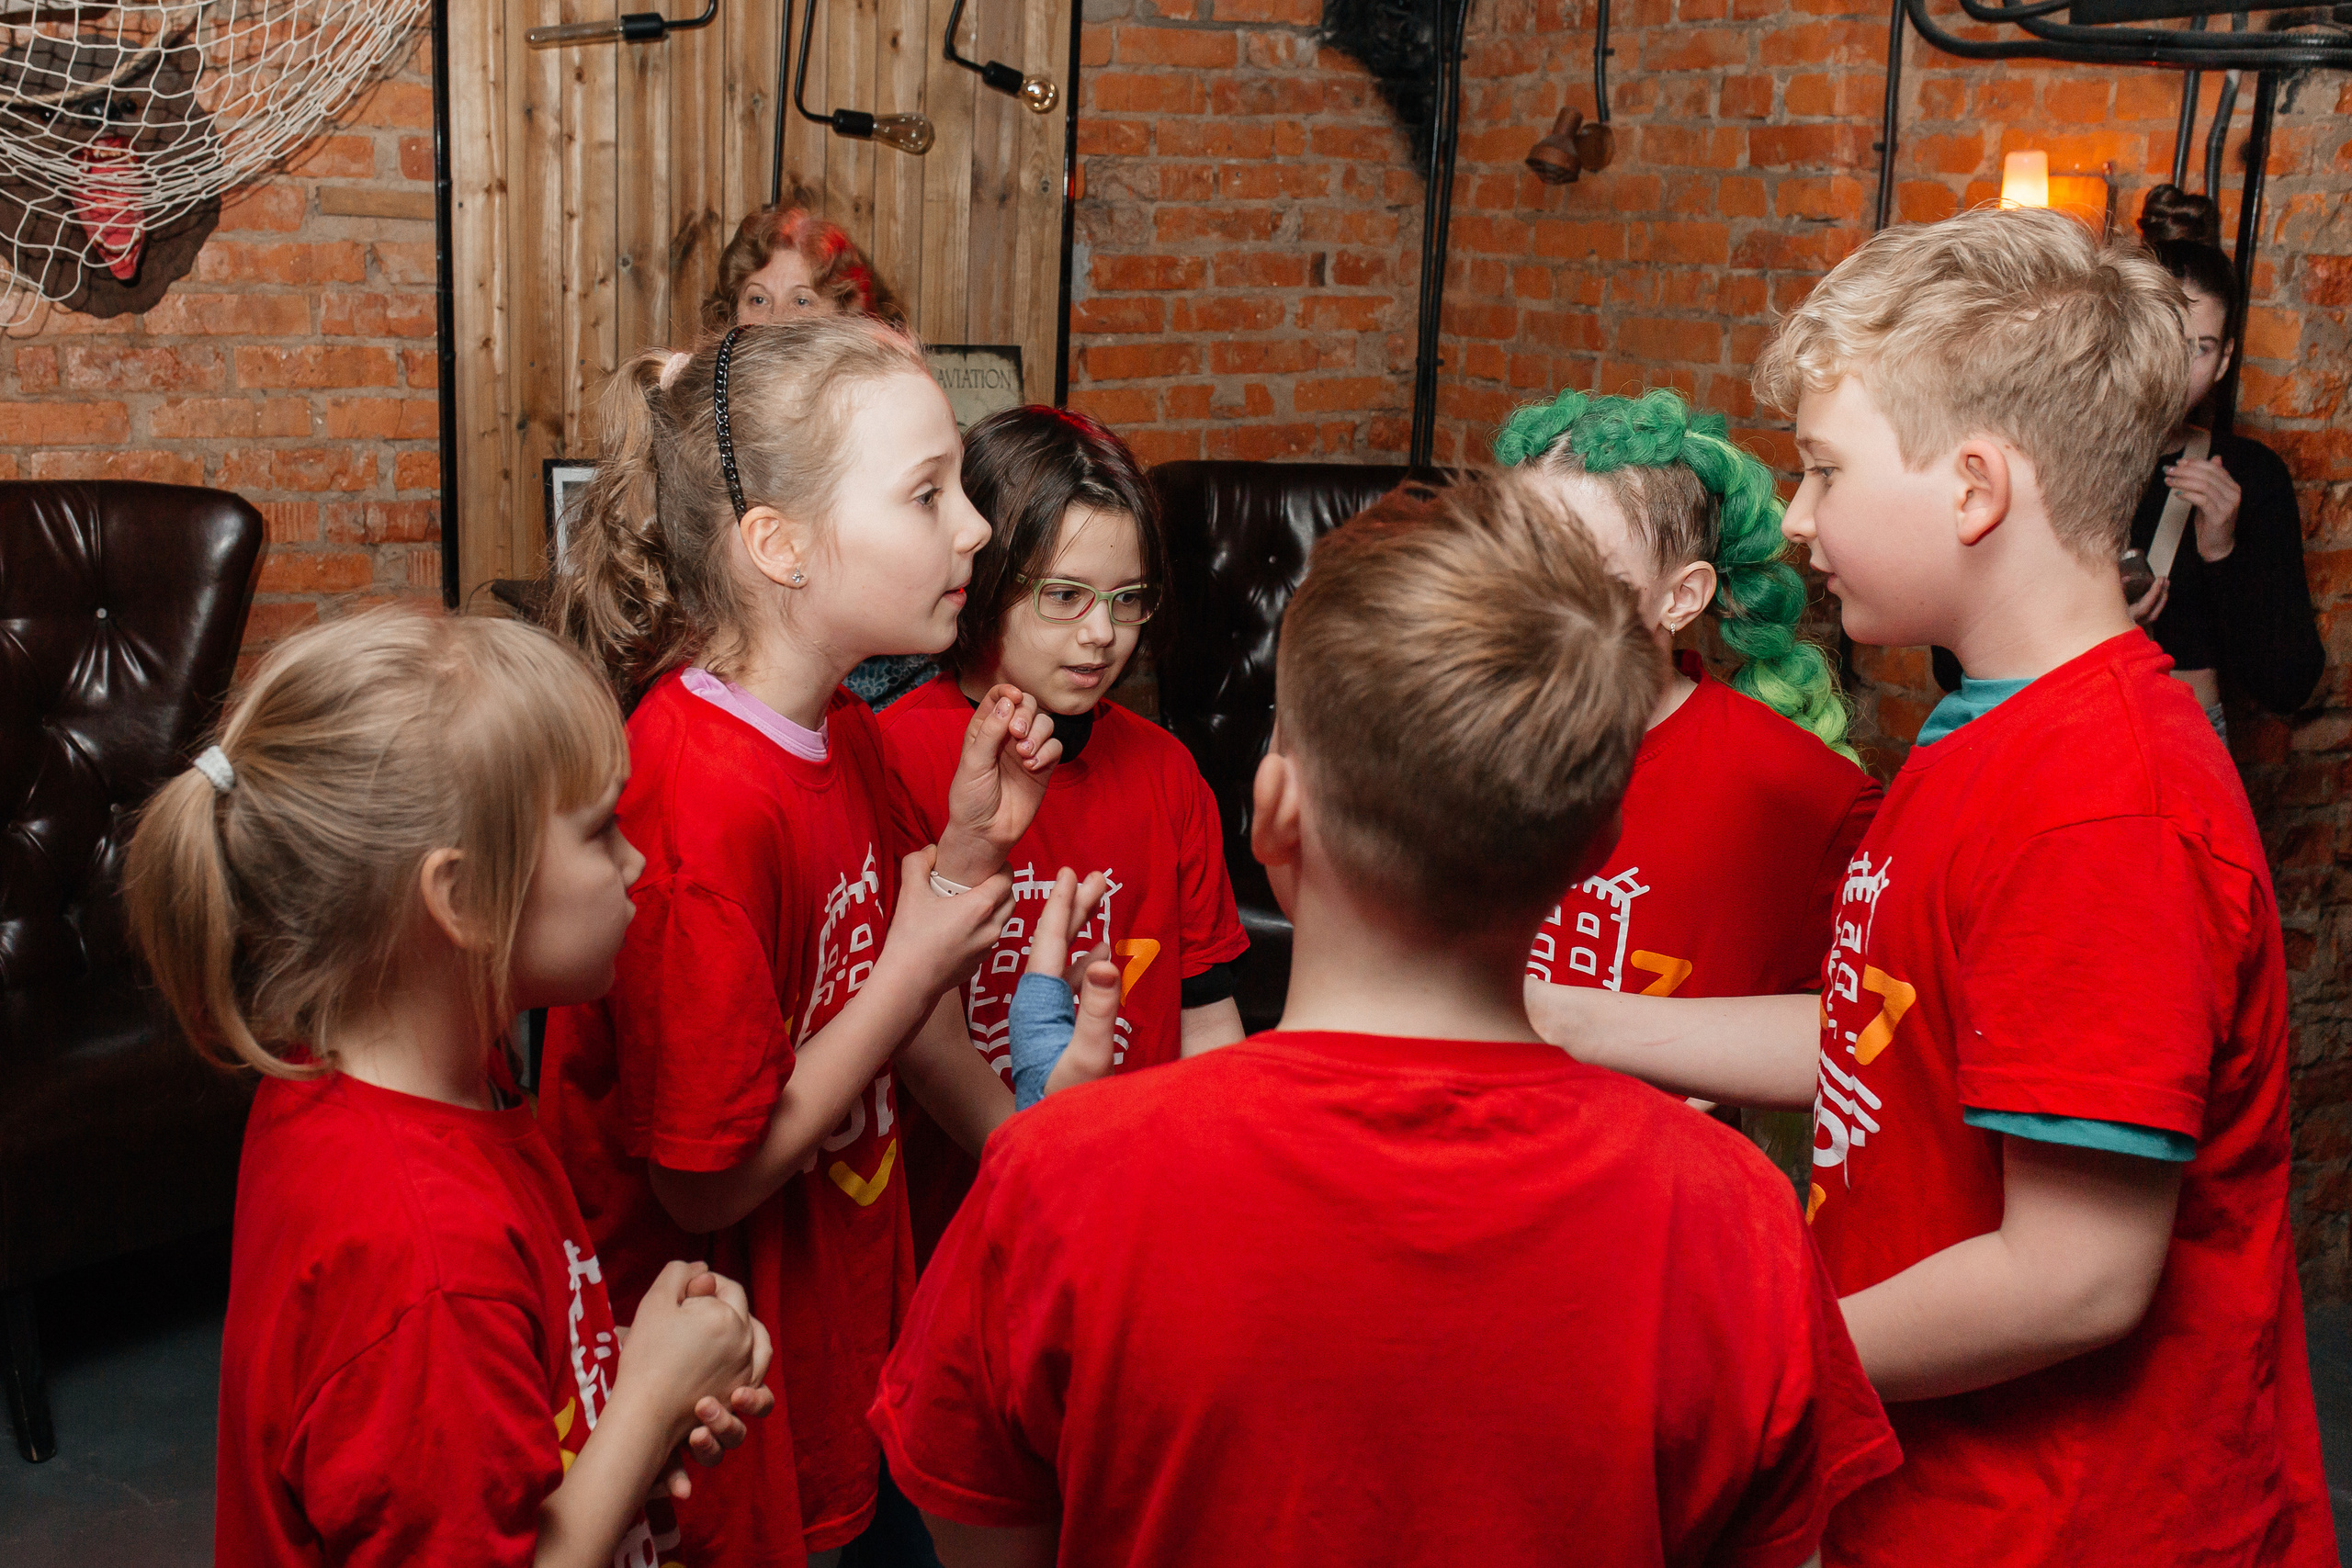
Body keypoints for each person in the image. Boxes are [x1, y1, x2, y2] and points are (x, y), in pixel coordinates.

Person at [868, 471, 1903, 1568]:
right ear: (1596, 847)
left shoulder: (1055, 1182)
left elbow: (985, 1547)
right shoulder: (1734, 1218)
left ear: (1273, 814)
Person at [1535, 206, 2336, 1565]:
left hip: (2074, 1521)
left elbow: (2074, 1273)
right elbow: (1887, 1031)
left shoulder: (2102, 805)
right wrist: (1563, 1016)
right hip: (1938, 1490)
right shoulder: (1987, 729)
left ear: (1974, 488)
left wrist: (1738, 1360)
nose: (1793, 520)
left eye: (1826, 472)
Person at [541, 316, 1060, 1565]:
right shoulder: (699, 798)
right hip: (712, 1368)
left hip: (830, 1316)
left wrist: (967, 855)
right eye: (928, 494)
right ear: (778, 545)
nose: (976, 528)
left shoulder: (843, 730)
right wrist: (921, 953)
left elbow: (895, 992)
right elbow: (700, 1176)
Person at [124, 607, 774, 1568]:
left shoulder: (380, 1079)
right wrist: (641, 1409)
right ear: (463, 900)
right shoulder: (426, 1265)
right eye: (600, 833)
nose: (635, 865)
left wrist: (636, 1377)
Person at [877, 406, 1250, 1265]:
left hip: (1132, 1218)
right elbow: (913, 1035)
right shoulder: (895, 753)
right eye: (1066, 596)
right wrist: (1038, 1155)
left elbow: (1207, 1018)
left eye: (1127, 600)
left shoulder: (1165, 771)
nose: (1102, 634)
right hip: (958, 1223)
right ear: (987, 579)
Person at [1496, 388, 1878, 1161]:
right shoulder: (1447, 732)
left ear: (1682, 597)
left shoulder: (1801, 794)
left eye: (1577, 573)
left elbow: (1855, 1044)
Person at [1929, 185, 2325, 735]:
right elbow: (1950, 663)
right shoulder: (2047, 455)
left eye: (2200, 348)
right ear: (2125, 338)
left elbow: (2286, 684)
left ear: (2225, 358)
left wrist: (2222, 551)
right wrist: (2088, 629)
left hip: (2185, 735)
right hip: (2056, 722)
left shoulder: (2249, 476)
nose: (2172, 367)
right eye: (2160, 337)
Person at [703, 190, 930, 713]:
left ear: (847, 319)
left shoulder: (886, 421)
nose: (776, 320)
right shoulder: (703, 424)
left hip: (872, 681)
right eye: (757, 299)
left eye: (802, 300)